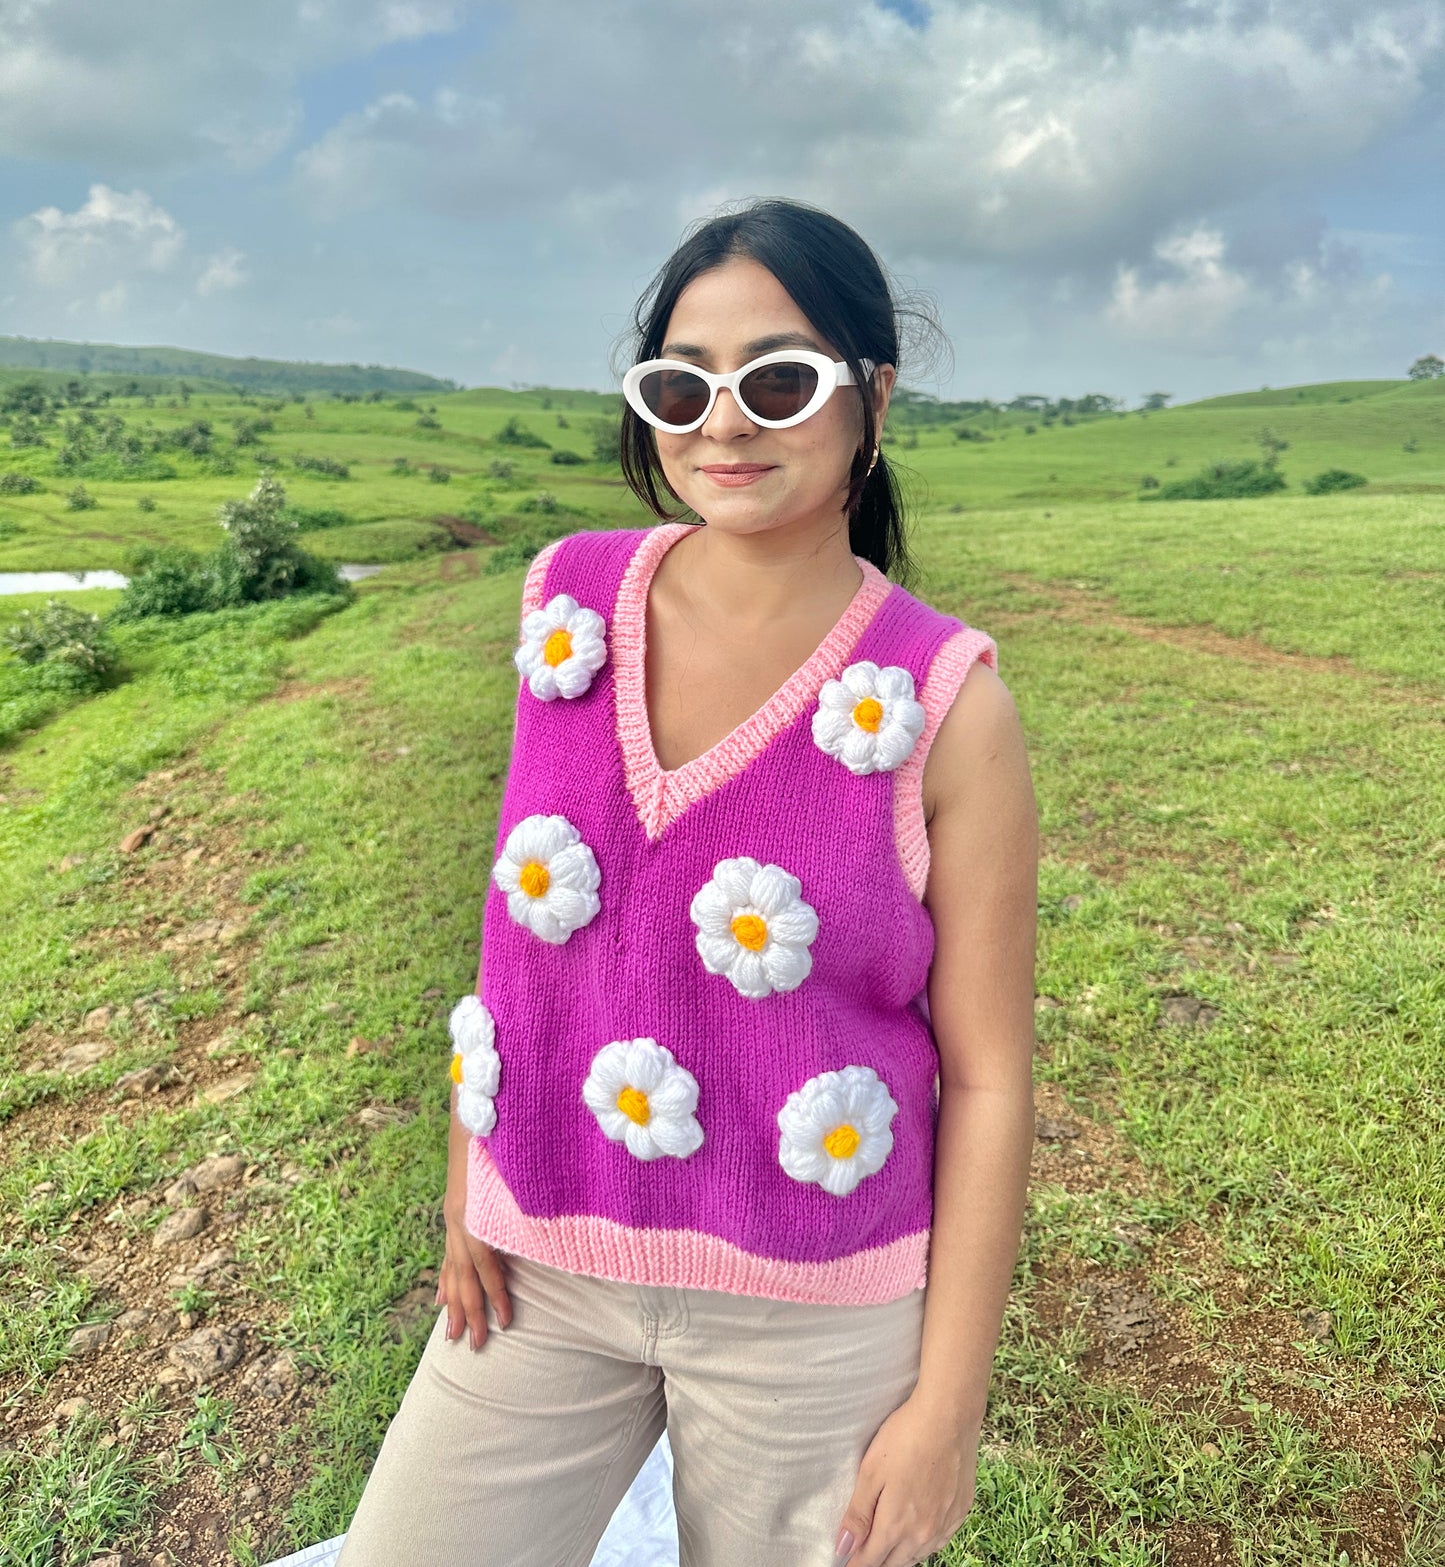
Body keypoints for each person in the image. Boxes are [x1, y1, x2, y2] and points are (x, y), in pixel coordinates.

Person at [336, 198, 1038, 1567]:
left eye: (777, 380)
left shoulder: (945, 705)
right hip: (540, 1268)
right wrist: (469, 1186)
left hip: (813, 1316)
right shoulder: (567, 611)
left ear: (870, 398)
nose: (723, 423)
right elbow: (524, 947)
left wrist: (945, 1410)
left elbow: (992, 1076)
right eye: (680, 383)